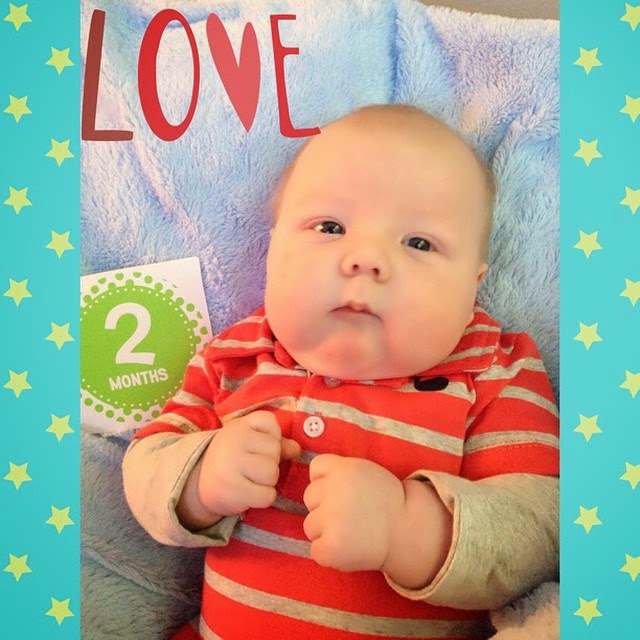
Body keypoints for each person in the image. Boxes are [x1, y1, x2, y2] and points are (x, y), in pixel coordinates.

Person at [122, 104, 559, 640]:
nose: (365, 258)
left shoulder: (493, 368)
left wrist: (408, 528)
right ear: (272, 250)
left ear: (473, 284)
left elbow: (539, 532)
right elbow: (146, 465)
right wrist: (198, 481)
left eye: (419, 242)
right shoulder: (235, 357)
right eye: (330, 226)